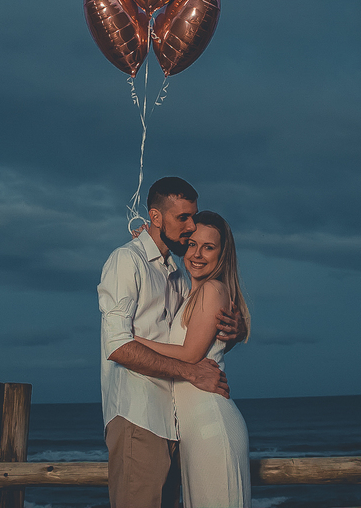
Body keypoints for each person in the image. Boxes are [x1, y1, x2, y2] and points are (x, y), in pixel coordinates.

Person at [98, 177, 245, 508]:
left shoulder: (177, 275)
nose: (191, 226)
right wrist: (192, 372)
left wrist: (232, 335)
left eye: (193, 217)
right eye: (183, 218)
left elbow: (194, 341)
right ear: (155, 217)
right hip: (139, 415)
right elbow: (118, 346)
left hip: (174, 424)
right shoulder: (127, 261)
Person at [134, 210, 252, 508]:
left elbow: (190, 355)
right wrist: (150, 240)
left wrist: (129, 340)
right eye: (191, 244)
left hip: (210, 425)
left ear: (222, 255)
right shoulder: (189, 293)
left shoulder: (213, 289)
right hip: (195, 429)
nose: (197, 254)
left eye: (208, 247)